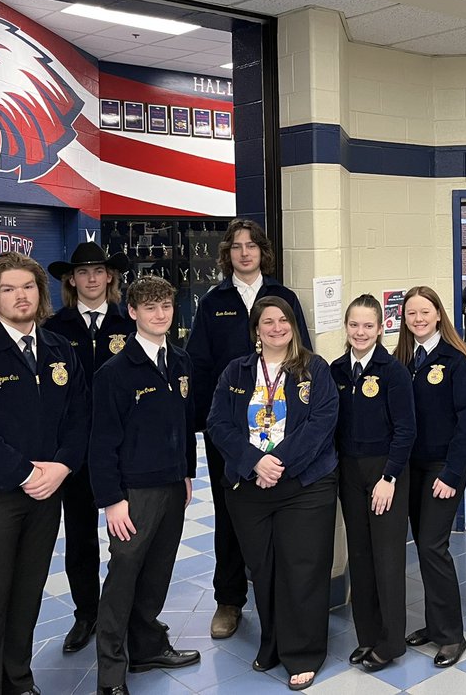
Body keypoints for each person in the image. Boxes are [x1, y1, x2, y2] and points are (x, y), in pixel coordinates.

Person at [0, 252, 89, 695]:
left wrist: (62, 466)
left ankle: (17, 680)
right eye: (9, 289)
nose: (20, 296)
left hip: (47, 494)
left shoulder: (61, 350)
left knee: (27, 595)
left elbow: (81, 416)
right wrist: (25, 473)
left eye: (28, 287)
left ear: (40, 294)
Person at [184, 218, 311, 640]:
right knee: (231, 515)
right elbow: (199, 367)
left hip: (281, 432)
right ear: (227, 254)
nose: (244, 252)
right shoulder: (213, 301)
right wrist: (209, 425)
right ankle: (229, 599)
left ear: (262, 251)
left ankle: (279, 596)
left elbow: (303, 360)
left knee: (282, 511)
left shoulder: (283, 297)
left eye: (251, 245)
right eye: (236, 246)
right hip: (233, 435)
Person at [206, 296, 339, 691]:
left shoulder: (315, 370)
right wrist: (253, 462)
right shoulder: (237, 371)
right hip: (249, 488)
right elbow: (217, 423)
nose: (277, 327)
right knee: (263, 570)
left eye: (284, 320)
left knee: (302, 570)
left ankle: (303, 654)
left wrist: (276, 465)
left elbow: (321, 424)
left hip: (304, 485)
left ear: (294, 325)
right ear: (256, 330)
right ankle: (274, 644)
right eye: (268, 321)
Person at [88, 276, 201, 694]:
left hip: (172, 485)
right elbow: (101, 444)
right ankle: (111, 675)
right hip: (133, 493)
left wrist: (187, 472)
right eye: (151, 307)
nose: (160, 314)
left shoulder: (181, 361)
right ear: (133, 313)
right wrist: (112, 500)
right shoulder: (115, 373)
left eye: (166, 306)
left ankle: (147, 646)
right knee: (123, 578)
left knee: (157, 573)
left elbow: (186, 425)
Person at [45, 241, 136, 654]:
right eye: (83, 272)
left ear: (111, 277)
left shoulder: (128, 322)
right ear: (72, 280)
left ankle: (130, 613)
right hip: (77, 450)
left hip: (124, 449)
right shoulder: (54, 328)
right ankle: (87, 613)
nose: (93, 279)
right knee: (80, 536)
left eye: (99, 271)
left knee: (130, 535)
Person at [394, 285, 466, 669]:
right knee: (422, 547)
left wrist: (452, 472)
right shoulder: (400, 361)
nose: (418, 319)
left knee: (432, 546)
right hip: (409, 468)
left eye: (425, 312)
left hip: (442, 469)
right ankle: (432, 625)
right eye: (411, 313)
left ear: (439, 314)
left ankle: (450, 636)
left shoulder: (456, 359)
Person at [329, 294, 416, 672]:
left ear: (381, 329)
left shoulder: (392, 371)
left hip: (385, 474)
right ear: (346, 328)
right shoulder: (335, 371)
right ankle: (367, 637)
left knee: (387, 557)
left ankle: (391, 641)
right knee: (360, 556)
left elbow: (406, 430)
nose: (360, 332)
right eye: (354, 325)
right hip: (349, 473)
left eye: (368, 325)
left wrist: (390, 477)